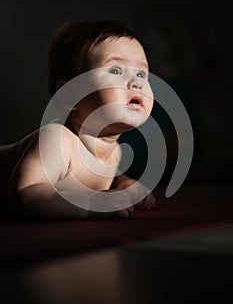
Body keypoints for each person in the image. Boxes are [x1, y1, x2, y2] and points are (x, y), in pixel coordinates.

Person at [0, 19, 156, 220]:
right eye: (116, 70)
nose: (136, 83)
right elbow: (25, 192)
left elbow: (97, 173)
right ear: (70, 96)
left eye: (142, 73)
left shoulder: (113, 151)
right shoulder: (56, 139)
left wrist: (123, 183)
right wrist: (90, 204)